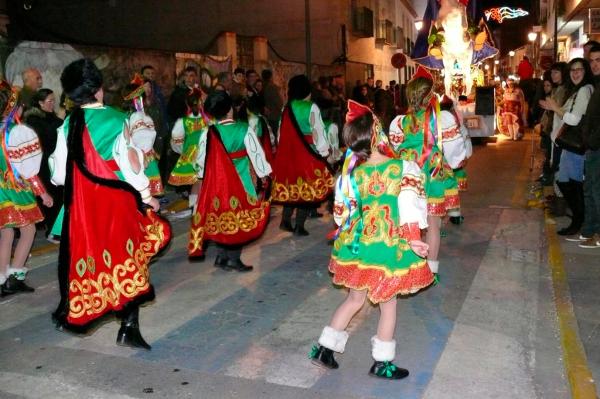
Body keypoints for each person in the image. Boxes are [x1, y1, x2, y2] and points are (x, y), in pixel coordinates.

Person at [49, 59, 171, 349]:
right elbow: (130, 166)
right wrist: (146, 195)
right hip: (117, 202)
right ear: (99, 90)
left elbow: (57, 173)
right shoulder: (118, 119)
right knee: (128, 259)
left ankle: (97, 306)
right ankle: (129, 327)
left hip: (82, 205)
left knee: (91, 257)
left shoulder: (68, 123)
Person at [310, 99, 432, 379]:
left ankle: (324, 349)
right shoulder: (403, 168)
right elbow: (410, 206)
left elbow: (341, 215)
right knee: (388, 305)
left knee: (355, 299)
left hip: (358, 246)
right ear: (378, 134)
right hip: (388, 247)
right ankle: (382, 362)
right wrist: (414, 238)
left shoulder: (350, 174)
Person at [389, 66, 460, 283]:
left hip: (408, 178)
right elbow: (455, 152)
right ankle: (431, 270)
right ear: (431, 95)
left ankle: (408, 264)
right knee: (433, 224)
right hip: (434, 174)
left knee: (409, 220)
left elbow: (393, 149)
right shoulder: (443, 120)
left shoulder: (399, 122)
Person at [188, 91, 272, 271]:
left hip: (218, 182)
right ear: (230, 110)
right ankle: (233, 258)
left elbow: (201, 160)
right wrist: (264, 173)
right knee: (239, 219)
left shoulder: (209, 132)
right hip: (242, 180)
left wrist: (203, 177)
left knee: (221, 216)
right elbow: (256, 154)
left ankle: (221, 256)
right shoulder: (244, 129)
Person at [0, 80, 53, 296]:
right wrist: (43, 193)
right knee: (28, 229)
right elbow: (29, 169)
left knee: (5, 233)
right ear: (16, 108)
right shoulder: (19, 132)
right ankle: (15, 277)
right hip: (16, 189)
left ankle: (1, 278)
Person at [271, 74, 334, 236]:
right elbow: (318, 131)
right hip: (308, 153)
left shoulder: (286, 108)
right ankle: (299, 225)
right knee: (307, 189)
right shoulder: (311, 107)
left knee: (292, 188)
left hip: (289, 154)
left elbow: (280, 133)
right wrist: (324, 152)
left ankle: (285, 221)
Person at [540, 58, 594, 237]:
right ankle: (579, 219)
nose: (575, 73)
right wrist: (552, 107)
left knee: (573, 184)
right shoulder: (576, 91)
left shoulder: (585, 91)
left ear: (585, 71)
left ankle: (580, 220)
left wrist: (556, 108)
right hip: (567, 146)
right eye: (572, 70)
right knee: (564, 180)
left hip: (574, 145)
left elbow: (573, 119)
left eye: (579, 70)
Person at [23, 88, 64, 242]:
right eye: (50, 101)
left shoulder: (51, 116)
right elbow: (48, 136)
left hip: (56, 161)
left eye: (54, 100)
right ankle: (52, 231)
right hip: (43, 163)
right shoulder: (33, 119)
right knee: (51, 196)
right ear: (40, 103)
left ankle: (59, 228)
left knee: (60, 195)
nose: (53, 103)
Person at [122, 75, 164, 197]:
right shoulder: (140, 117)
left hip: (136, 158)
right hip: (141, 159)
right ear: (139, 100)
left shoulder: (128, 116)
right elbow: (145, 138)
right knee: (144, 194)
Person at [169, 87, 209, 209]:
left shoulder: (183, 121)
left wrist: (184, 151)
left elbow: (176, 140)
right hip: (207, 153)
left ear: (188, 104)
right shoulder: (207, 120)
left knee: (196, 183)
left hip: (191, 155)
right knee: (203, 181)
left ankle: (195, 208)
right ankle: (201, 208)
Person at [578, 45, 600, 248]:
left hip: (596, 147)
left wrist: (592, 140)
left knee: (596, 191)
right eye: (592, 61)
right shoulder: (596, 84)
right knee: (590, 189)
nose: (594, 64)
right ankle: (589, 231)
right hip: (592, 147)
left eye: (598, 60)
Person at [439, 95, 472, 225]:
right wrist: (465, 155)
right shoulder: (455, 116)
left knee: (440, 190)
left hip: (439, 161)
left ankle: (438, 222)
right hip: (455, 160)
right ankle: (455, 215)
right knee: (453, 189)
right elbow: (463, 135)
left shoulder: (434, 118)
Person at [261, 69, 283, 138]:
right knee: (275, 135)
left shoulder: (262, 86)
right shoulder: (271, 87)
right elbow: (278, 101)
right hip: (274, 115)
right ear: (271, 77)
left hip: (267, 115)